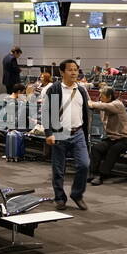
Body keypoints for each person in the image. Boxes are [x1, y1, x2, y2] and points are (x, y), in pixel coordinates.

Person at [43, 59, 91, 211]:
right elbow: (46, 113)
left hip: (78, 133)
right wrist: (49, 133)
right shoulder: (55, 89)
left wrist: (85, 131)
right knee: (58, 169)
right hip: (60, 133)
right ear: (62, 72)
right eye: (70, 70)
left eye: (76, 69)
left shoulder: (81, 90)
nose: (74, 72)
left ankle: (77, 194)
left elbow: (84, 113)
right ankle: (59, 197)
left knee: (84, 164)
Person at [86, 85, 127, 186]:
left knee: (114, 150)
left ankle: (102, 176)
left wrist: (90, 103)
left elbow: (102, 106)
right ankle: (92, 173)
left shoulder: (117, 104)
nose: (100, 97)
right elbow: (97, 105)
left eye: (102, 95)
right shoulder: (103, 103)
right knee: (96, 148)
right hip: (113, 138)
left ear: (109, 97)